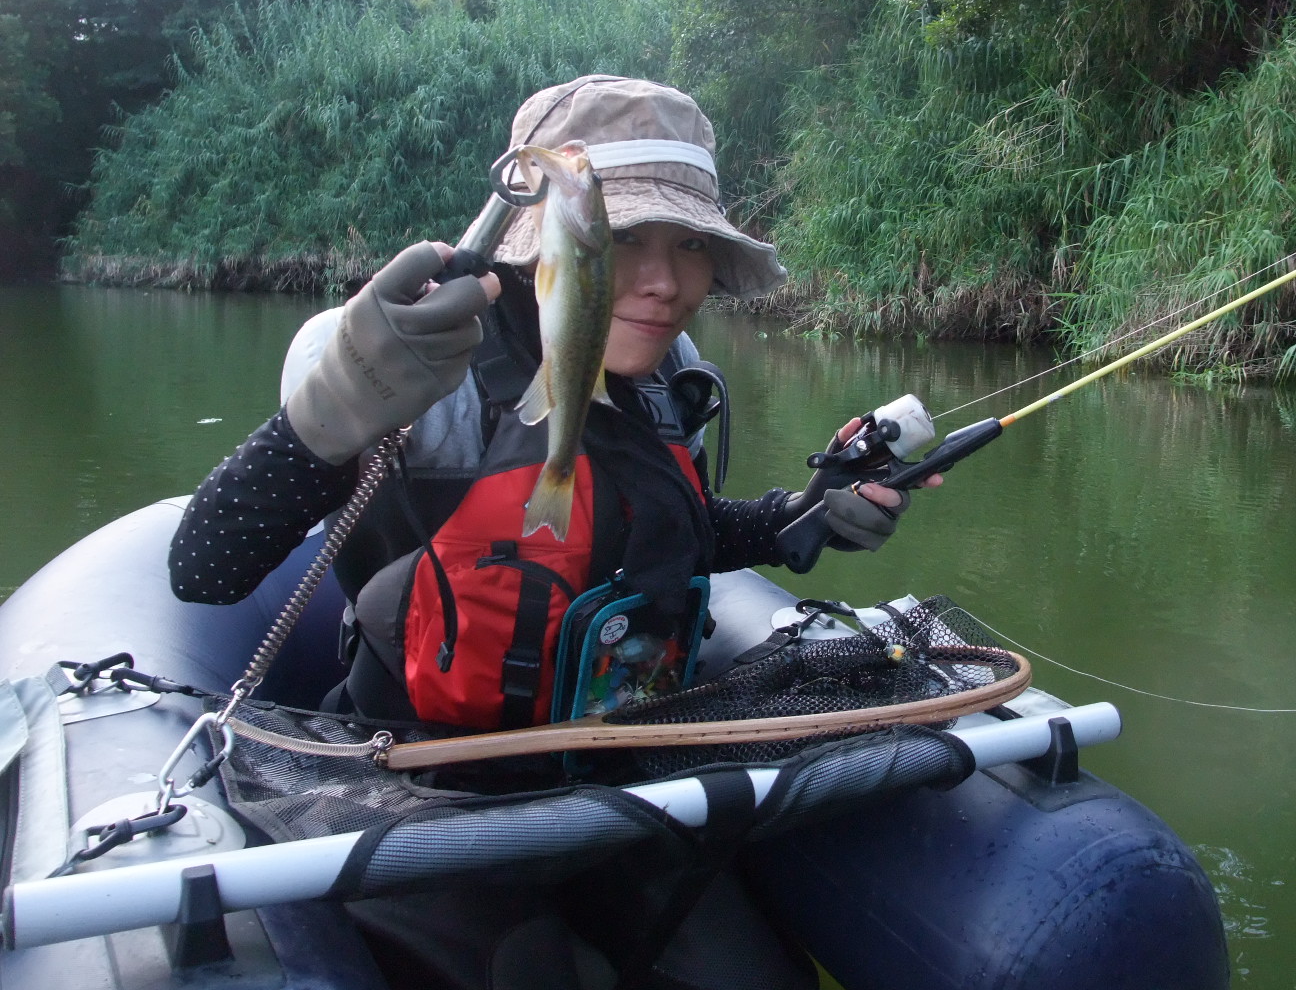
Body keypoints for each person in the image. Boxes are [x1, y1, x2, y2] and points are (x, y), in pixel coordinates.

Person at [168, 74, 934, 990]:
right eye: (624, 237)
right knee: (524, 969)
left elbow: (656, 540)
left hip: (615, 761)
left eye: (690, 244)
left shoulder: (669, 367)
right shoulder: (410, 362)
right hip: (419, 780)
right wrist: (335, 406)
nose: (663, 283)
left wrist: (794, 517)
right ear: (546, 239)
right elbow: (204, 569)